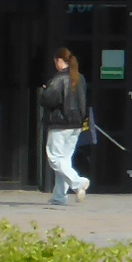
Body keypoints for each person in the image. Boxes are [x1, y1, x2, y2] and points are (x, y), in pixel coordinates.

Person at [39, 49, 90, 206]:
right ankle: (59, 196)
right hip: (76, 124)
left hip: (60, 123)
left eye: (56, 61)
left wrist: (43, 91)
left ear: (59, 61)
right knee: (65, 159)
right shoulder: (79, 78)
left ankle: (78, 182)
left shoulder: (59, 78)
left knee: (54, 158)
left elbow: (49, 100)